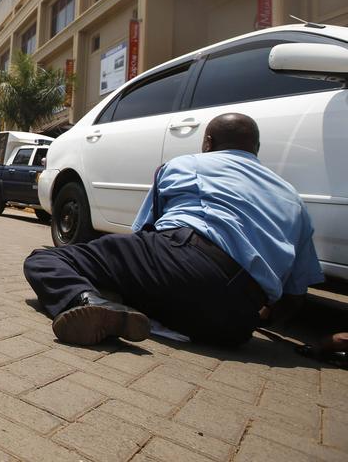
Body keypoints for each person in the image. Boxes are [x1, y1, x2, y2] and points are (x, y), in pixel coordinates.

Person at [23, 113, 324, 347]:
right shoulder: (293, 199)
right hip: (234, 324)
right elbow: (295, 295)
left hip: (183, 260)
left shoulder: (187, 164)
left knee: (47, 260)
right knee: (157, 294)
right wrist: (260, 320)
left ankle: (89, 302)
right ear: (256, 149)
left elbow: (145, 232)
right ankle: (131, 312)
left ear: (207, 142)